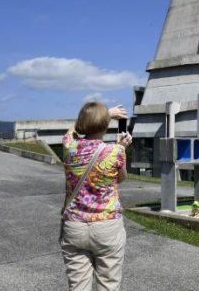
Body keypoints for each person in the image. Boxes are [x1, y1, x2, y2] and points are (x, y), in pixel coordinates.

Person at [60, 102, 133, 291]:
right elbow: (121, 179)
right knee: (108, 283)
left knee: (78, 286)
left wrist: (104, 114)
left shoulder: (69, 146)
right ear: (105, 124)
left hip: (74, 225)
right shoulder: (115, 151)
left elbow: (71, 130)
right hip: (107, 225)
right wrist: (121, 147)